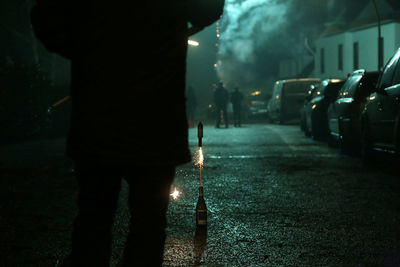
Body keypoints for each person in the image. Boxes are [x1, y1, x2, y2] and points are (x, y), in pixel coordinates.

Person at [30, 1, 224, 267]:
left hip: (98, 112)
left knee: (94, 216)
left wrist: (84, 50)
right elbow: (209, 9)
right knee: (149, 221)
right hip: (156, 119)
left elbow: (45, 17)